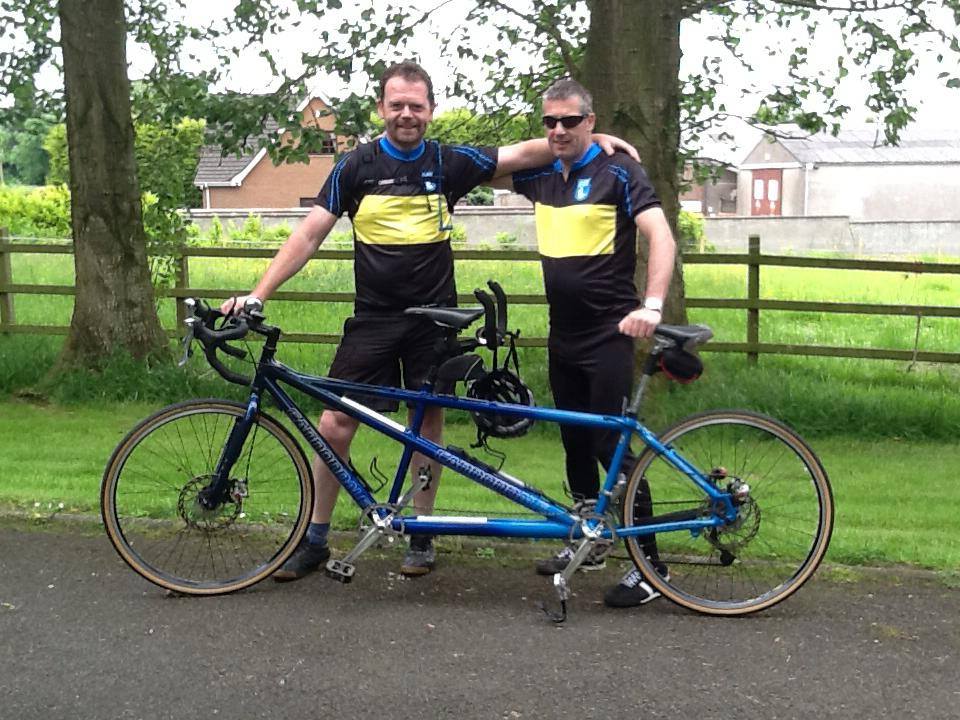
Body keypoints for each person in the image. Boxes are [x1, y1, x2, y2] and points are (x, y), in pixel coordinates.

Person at [222, 61, 639, 581]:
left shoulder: (450, 162)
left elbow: (530, 150)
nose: (406, 114)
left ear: (431, 111)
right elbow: (308, 235)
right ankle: (316, 536)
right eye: (396, 104)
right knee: (334, 424)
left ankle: (423, 533)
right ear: (381, 108)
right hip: (373, 319)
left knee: (426, 428)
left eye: (416, 106)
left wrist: (592, 136)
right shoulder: (355, 167)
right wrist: (259, 294)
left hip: (433, 321)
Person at [496, 78, 676, 608]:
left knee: (608, 446)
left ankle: (651, 567)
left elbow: (661, 236)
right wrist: (575, 139)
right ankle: (589, 541)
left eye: (571, 121)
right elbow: (492, 163)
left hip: (609, 335)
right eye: (550, 121)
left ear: (589, 121)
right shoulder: (541, 174)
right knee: (574, 442)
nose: (558, 130)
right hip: (563, 337)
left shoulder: (620, 170)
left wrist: (653, 306)